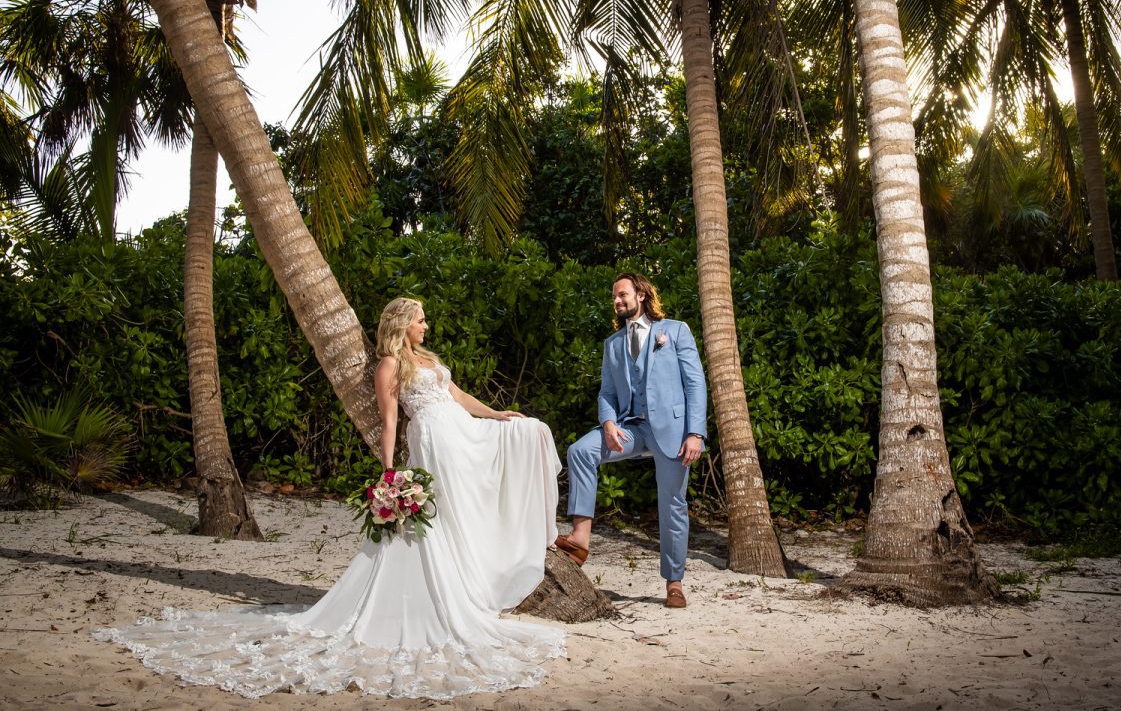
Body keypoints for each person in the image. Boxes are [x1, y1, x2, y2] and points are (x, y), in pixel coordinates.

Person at [95, 297, 565, 699]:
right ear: (402, 324)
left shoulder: (429, 358)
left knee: (526, 433)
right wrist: (389, 472)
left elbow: (458, 395)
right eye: (420, 320)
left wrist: (495, 414)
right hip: (435, 440)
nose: (426, 326)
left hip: (462, 431)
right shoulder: (389, 365)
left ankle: (479, 573)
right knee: (448, 514)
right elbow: (389, 420)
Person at [555, 273, 708, 609]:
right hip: (631, 428)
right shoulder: (613, 344)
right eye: (614, 297)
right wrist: (608, 422)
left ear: (640, 295)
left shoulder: (675, 331)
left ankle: (674, 583)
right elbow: (607, 393)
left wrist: (696, 433)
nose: (616, 301)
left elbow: (696, 384)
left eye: (622, 294)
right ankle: (580, 539)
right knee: (580, 451)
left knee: (673, 504)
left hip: (673, 432)